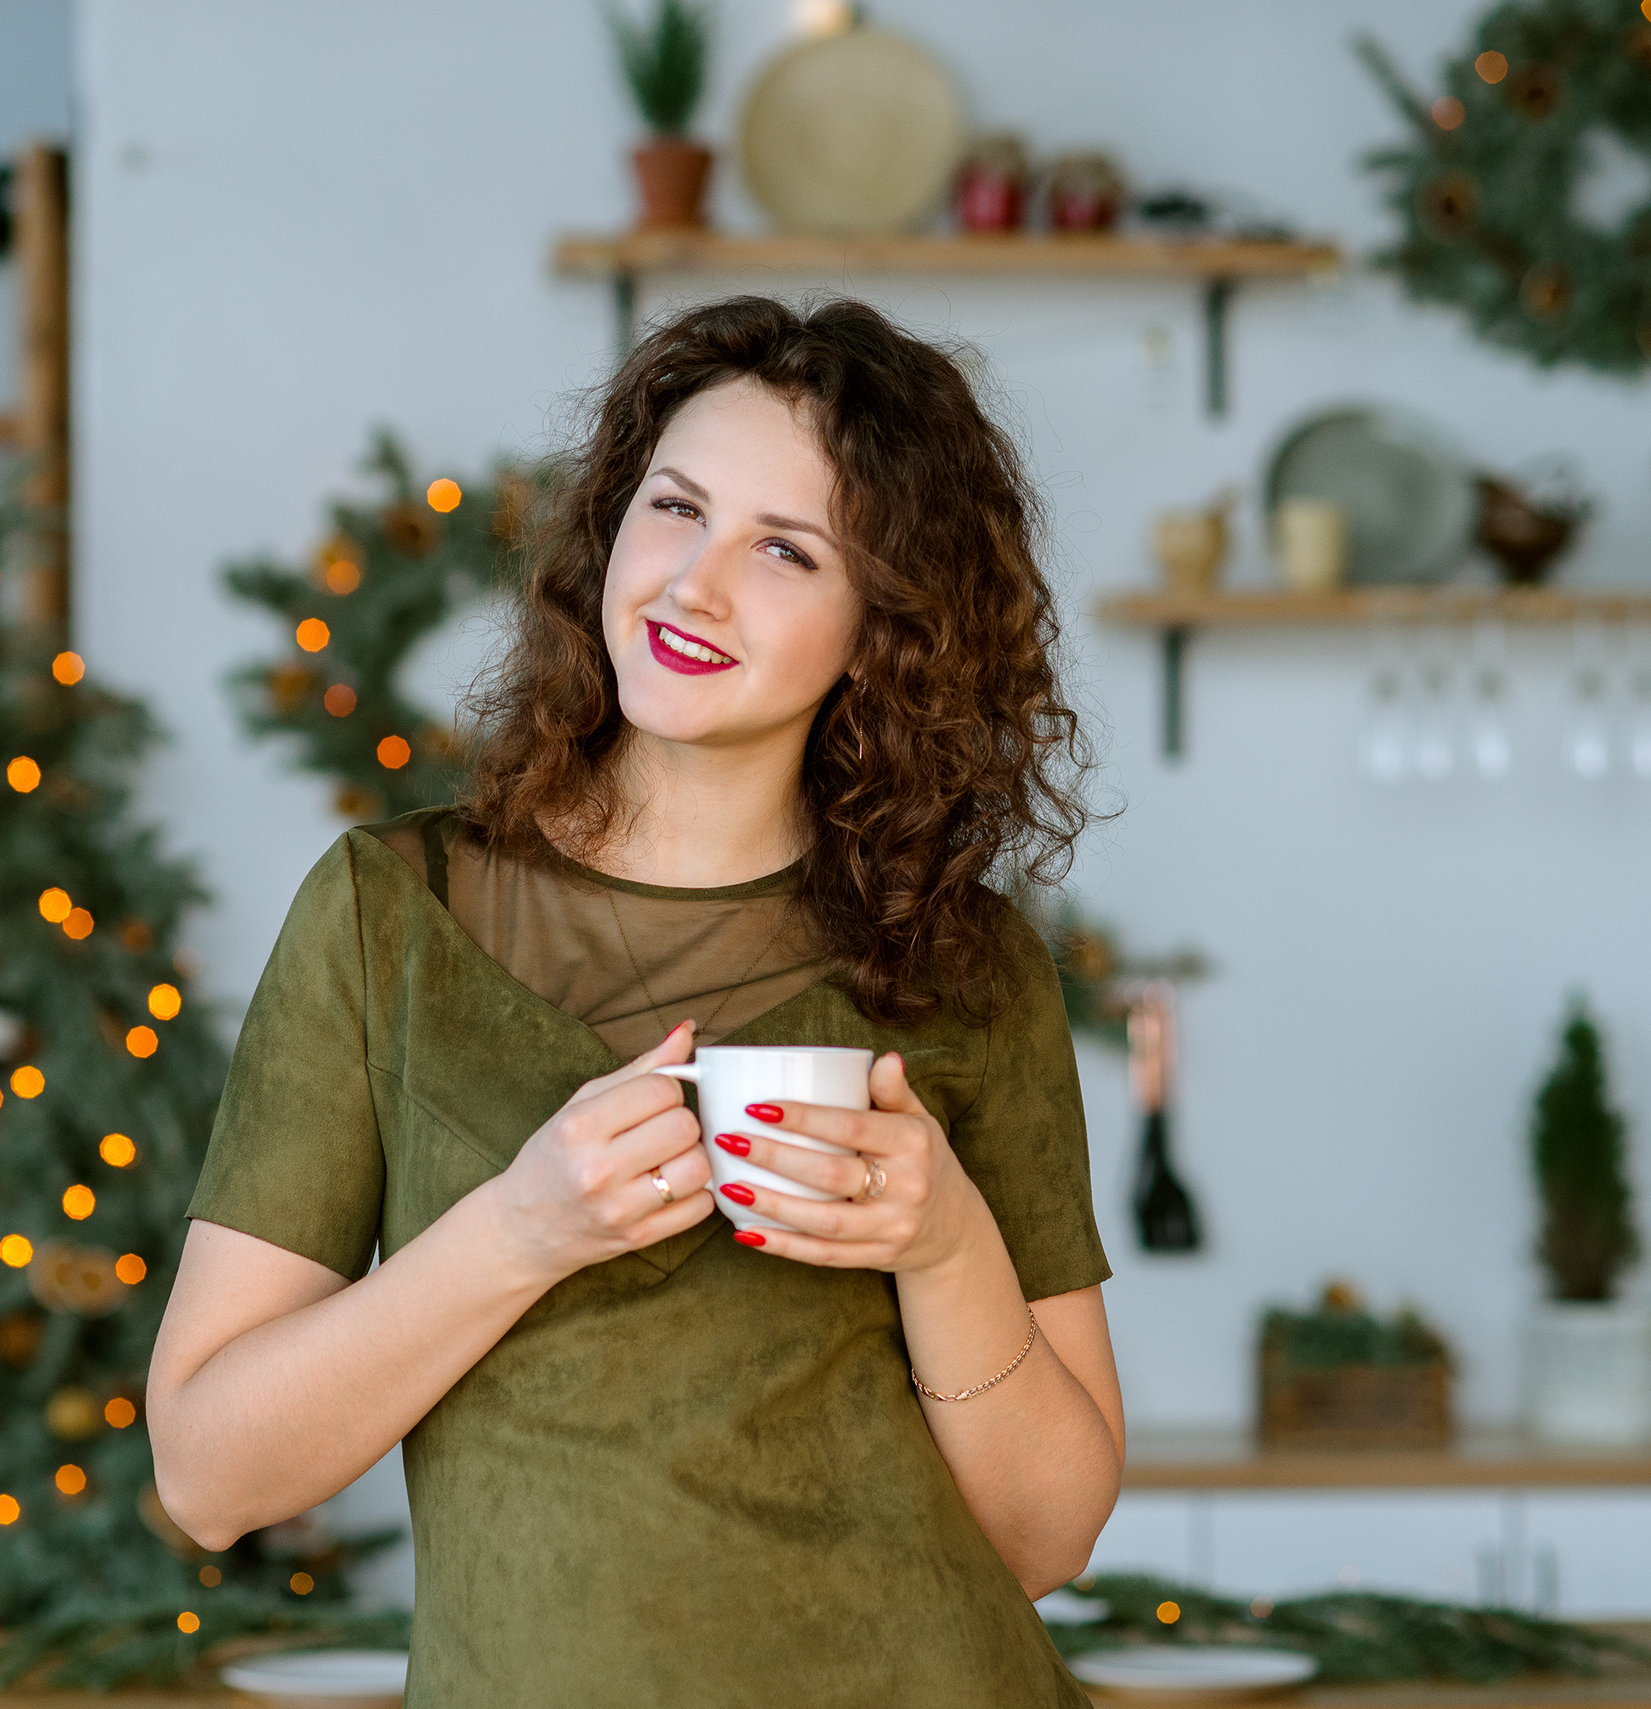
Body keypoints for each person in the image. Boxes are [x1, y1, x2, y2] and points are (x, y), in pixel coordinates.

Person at [149, 296, 1122, 1707]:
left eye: (786, 549)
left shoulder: (964, 966)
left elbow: (1048, 1538)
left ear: (880, 627)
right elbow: (208, 1472)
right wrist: (518, 1231)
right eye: (676, 508)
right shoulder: (389, 915)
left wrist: (945, 1240)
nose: (693, 584)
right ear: (611, 528)